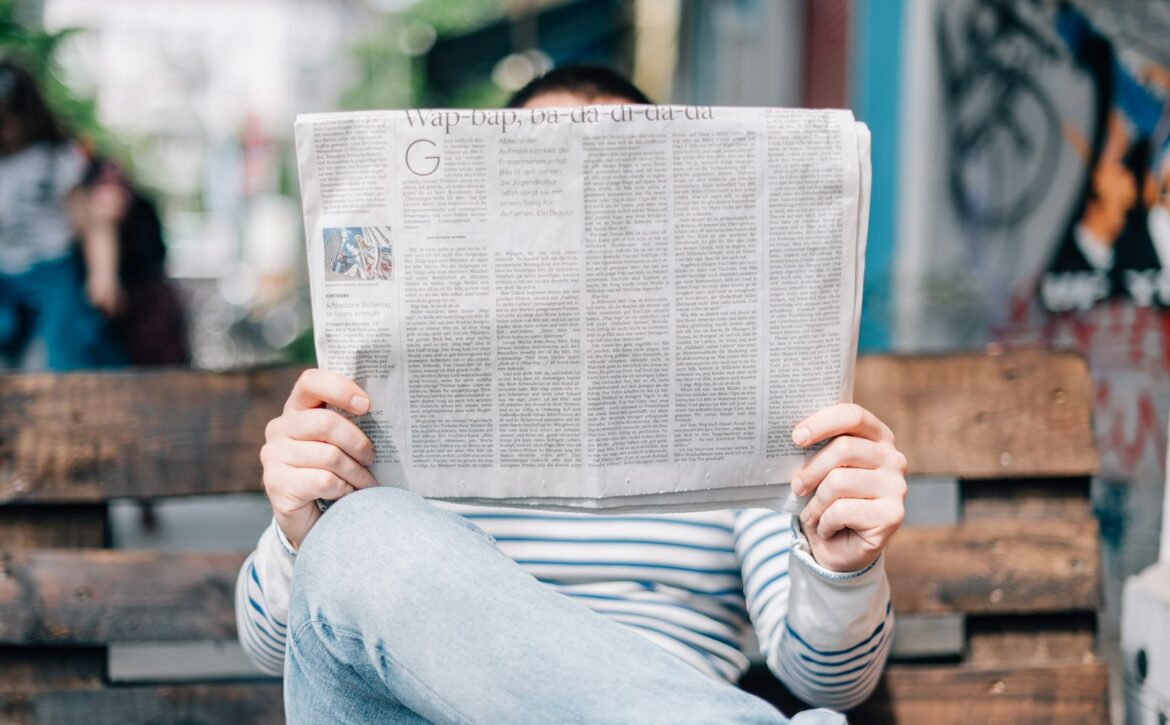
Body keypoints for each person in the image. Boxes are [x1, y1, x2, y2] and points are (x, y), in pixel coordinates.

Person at [237, 66, 906, 723]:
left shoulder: (738, 410)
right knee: (361, 535)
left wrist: (842, 566)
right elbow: (276, 647)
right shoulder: (385, 404)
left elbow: (829, 677)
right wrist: (304, 531)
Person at [0, 59, 126, 370]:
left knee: (65, 349)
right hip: (4, 273)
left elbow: (93, 222)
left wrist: (103, 275)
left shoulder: (55, 157)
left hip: (52, 269)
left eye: (11, 119)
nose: (8, 131)